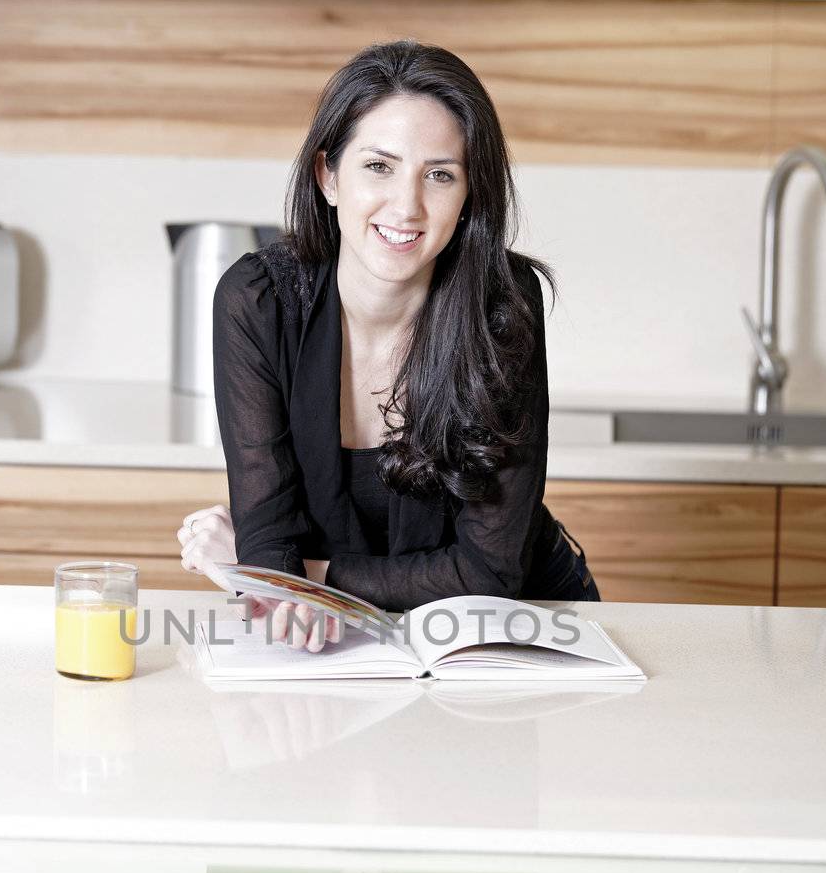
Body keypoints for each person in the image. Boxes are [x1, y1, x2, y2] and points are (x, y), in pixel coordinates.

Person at [177, 39, 598, 653]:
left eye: (440, 174)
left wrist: (312, 579)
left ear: (470, 194)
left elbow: (490, 572)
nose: (407, 205)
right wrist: (276, 571)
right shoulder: (260, 301)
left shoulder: (503, 306)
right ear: (328, 176)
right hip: (344, 644)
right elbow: (270, 538)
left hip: (512, 632)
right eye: (378, 165)